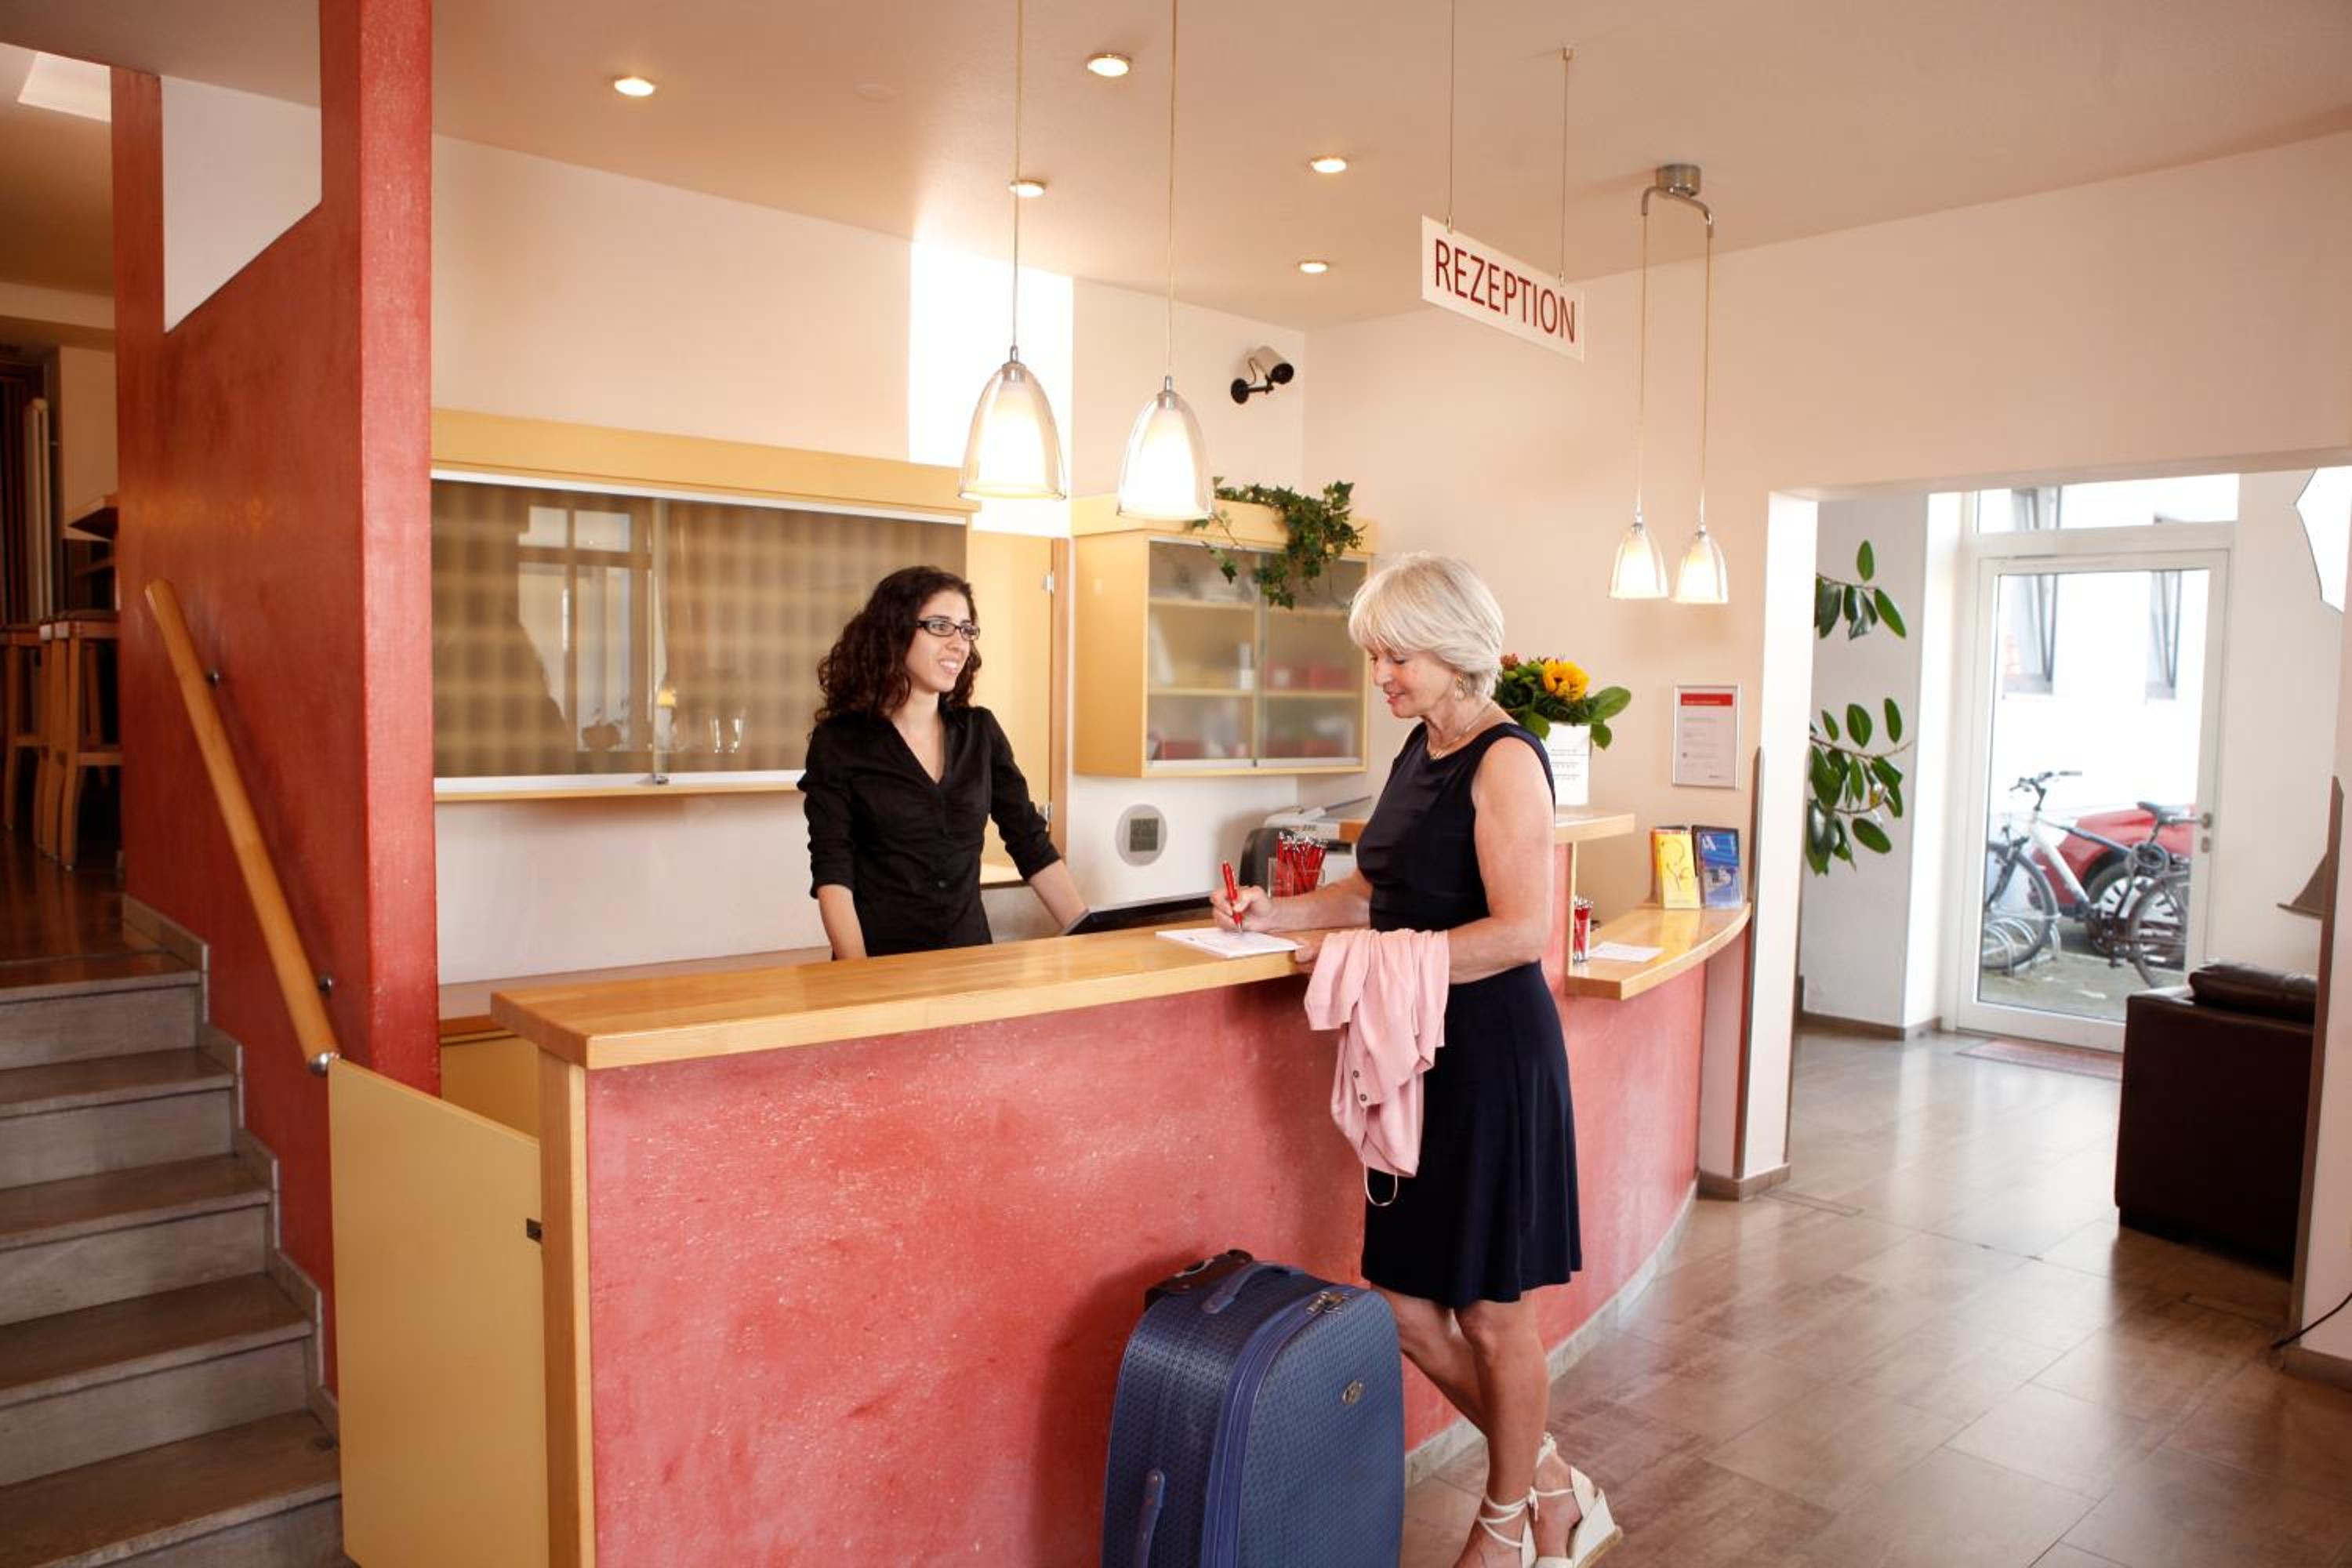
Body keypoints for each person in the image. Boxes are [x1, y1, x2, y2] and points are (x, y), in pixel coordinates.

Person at [1211, 553, 1614, 1568]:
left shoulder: (1505, 759)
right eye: (1376, 656)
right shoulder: (1420, 747)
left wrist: (1381, 958)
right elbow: (1375, 891)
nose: (1380, 675)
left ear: (1454, 649)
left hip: (1490, 1058)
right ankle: (1552, 1484)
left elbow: (1521, 932)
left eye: (1396, 656)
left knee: (1490, 1311)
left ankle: (1505, 1525)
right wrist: (1277, 911)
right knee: (1401, 1302)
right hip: (1418, 1060)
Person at [803, 565, 1085, 958]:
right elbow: (833, 871)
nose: (959, 644)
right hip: (881, 965)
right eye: (940, 626)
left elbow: (1030, 844)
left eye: (966, 630)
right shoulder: (840, 742)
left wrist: (1088, 935)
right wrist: (857, 976)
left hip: (970, 962)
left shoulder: (980, 733)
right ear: (894, 631)